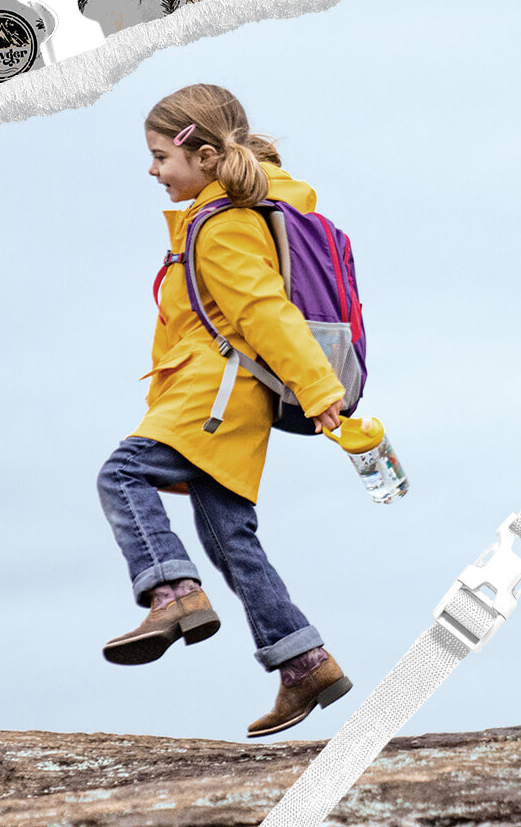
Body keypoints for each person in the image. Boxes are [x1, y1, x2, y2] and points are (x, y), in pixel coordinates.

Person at [96, 83, 353, 737]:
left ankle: (172, 594)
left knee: (122, 474)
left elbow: (264, 311)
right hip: (223, 398)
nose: (152, 170)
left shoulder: (223, 225)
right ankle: (304, 661)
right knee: (228, 538)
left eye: (161, 157)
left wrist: (320, 390)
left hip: (213, 395)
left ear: (205, 156)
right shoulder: (219, 217)